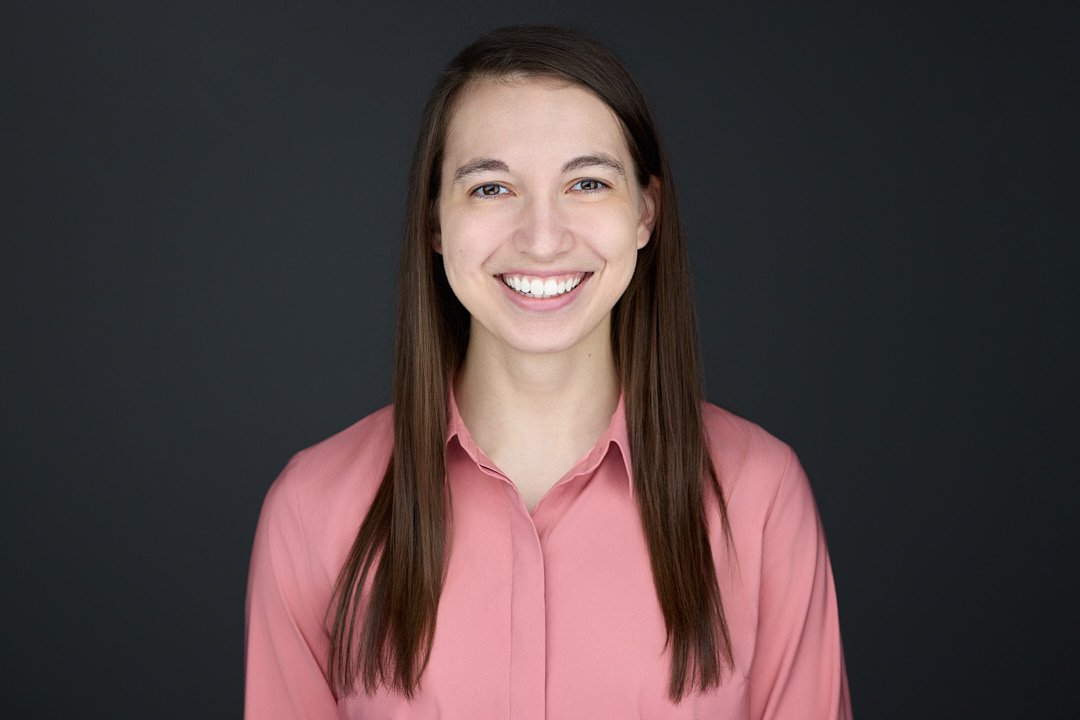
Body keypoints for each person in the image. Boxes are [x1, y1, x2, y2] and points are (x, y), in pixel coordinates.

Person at [244, 24, 851, 719]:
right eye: (492, 188)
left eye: (588, 182)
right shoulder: (312, 512)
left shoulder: (760, 498)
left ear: (646, 211)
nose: (542, 237)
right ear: (435, 221)